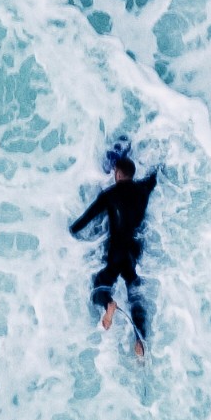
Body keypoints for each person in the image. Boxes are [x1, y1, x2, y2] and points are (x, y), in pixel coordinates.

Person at [71, 140, 160, 353]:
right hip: (134, 251)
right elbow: (153, 179)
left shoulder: (109, 195)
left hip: (115, 252)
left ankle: (109, 304)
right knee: (135, 296)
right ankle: (140, 340)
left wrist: (71, 231)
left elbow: (87, 218)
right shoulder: (142, 190)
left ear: (118, 174)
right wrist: (159, 164)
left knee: (99, 286)